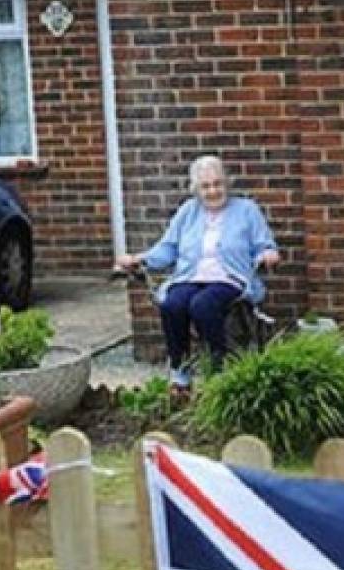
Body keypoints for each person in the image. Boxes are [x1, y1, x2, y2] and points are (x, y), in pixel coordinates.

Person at [113, 155, 280, 392]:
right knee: (173, 303)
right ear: (196, 189)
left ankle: (218, 368)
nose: (213, 191)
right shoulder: (187, 212)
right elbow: (168, 248)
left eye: (217, 184)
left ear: (227, 183)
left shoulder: (246, 210)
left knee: (203, 305)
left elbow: (265, 244)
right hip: (189, 276)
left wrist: (268, 254)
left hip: (229, 278)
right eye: (206, 186)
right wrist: (139, 259)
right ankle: (180, 371)